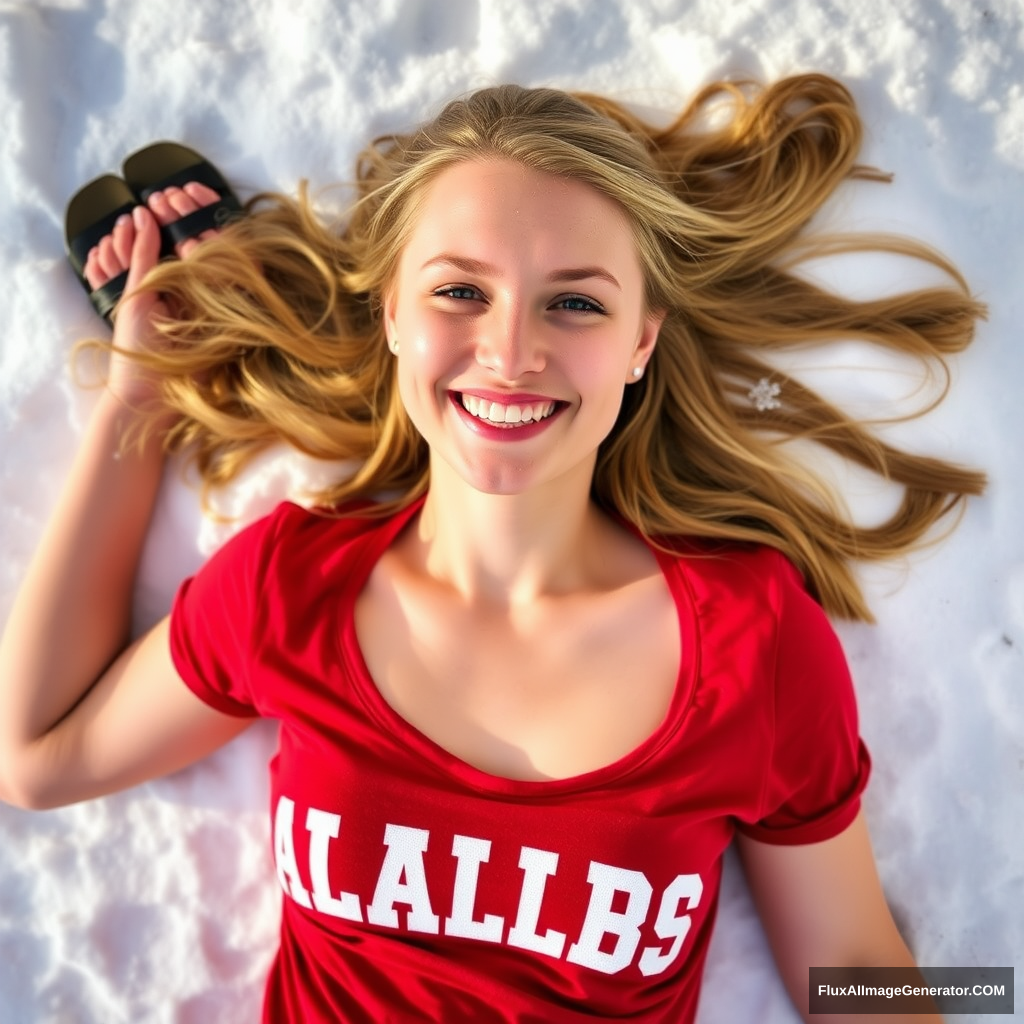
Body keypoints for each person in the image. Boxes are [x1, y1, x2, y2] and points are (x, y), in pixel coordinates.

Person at [0, 73, 983, 1022]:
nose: (512, 352)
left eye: (576, 302)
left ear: (642, 339)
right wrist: (140, 396)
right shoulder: (290, 588)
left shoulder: (753, 644)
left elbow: (850, 968)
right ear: (390, 311)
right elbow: (37, 757)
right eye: (461, 293)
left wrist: (998, 994)